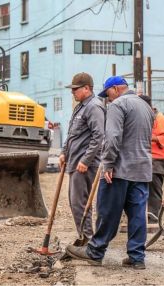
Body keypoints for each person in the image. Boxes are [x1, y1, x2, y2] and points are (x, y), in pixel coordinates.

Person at [65, 76, 154, 270]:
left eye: (108, 94)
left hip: (120, 170)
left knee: (108, 211)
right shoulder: (146, 106)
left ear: (115, 89)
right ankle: (137, 257)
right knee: (137, 214)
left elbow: (112, 137)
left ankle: (95, 251)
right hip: (142, 169)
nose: (108, 99)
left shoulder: (118, 105)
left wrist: (108, 165)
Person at [59, 72, 105, 244]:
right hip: (75, 161)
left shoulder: (94, 107)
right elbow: (73, 133)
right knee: (75, 202)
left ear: (87, 88)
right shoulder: (80, 106)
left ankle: (87, 238)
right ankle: (84, 236)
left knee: (80, 203)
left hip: (85, 164)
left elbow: (99, 136)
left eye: (76, 89)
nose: (73, 92)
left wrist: (86, 161)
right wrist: (64, 152)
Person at [140, 96, 164, 223]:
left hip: (158, 160)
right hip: (151, 158)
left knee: (154, 190)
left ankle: (153, 218)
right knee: (149, 189)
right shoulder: (150, 118)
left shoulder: (160, 119)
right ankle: (151, 216)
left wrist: (144, 135)